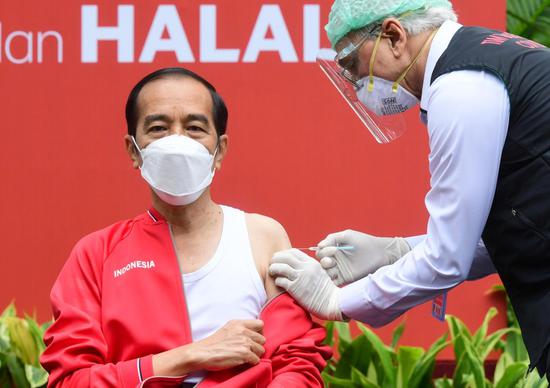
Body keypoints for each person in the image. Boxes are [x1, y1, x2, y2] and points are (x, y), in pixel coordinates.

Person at [269, 0, 550, 380]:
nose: (354, 82)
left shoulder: (461, 85)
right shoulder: (488, 54)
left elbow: (447, 258)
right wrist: (396, 251)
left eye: (352, 62)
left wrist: (338, 300)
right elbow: (509, 229)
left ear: (394, 35)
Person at [40, 67, 331, 387]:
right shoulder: (96, 254)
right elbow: (72, 380)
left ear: (219, 150)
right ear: (132, 150)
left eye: (194, 127)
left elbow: (297, 363)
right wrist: (191, 355)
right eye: (158, 128)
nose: (177, 141)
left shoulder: (262, 237)